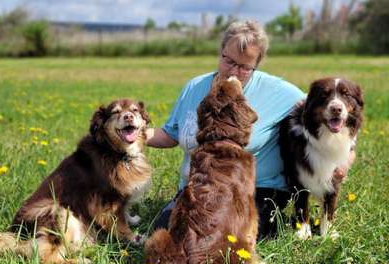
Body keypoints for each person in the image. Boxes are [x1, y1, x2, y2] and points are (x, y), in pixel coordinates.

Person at [146, 20, 353, 240]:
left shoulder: (279, 92)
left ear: (257, 65)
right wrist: (135, 135)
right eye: (229, 61)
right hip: (198, 189)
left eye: (245, 67)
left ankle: (281, 223)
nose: (234, 70)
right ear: (221, 52)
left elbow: (327, 111)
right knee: (167, 232)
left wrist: (345, 160)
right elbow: (170, 135)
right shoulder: (194, 87)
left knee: (222, 234)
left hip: (256, 190)